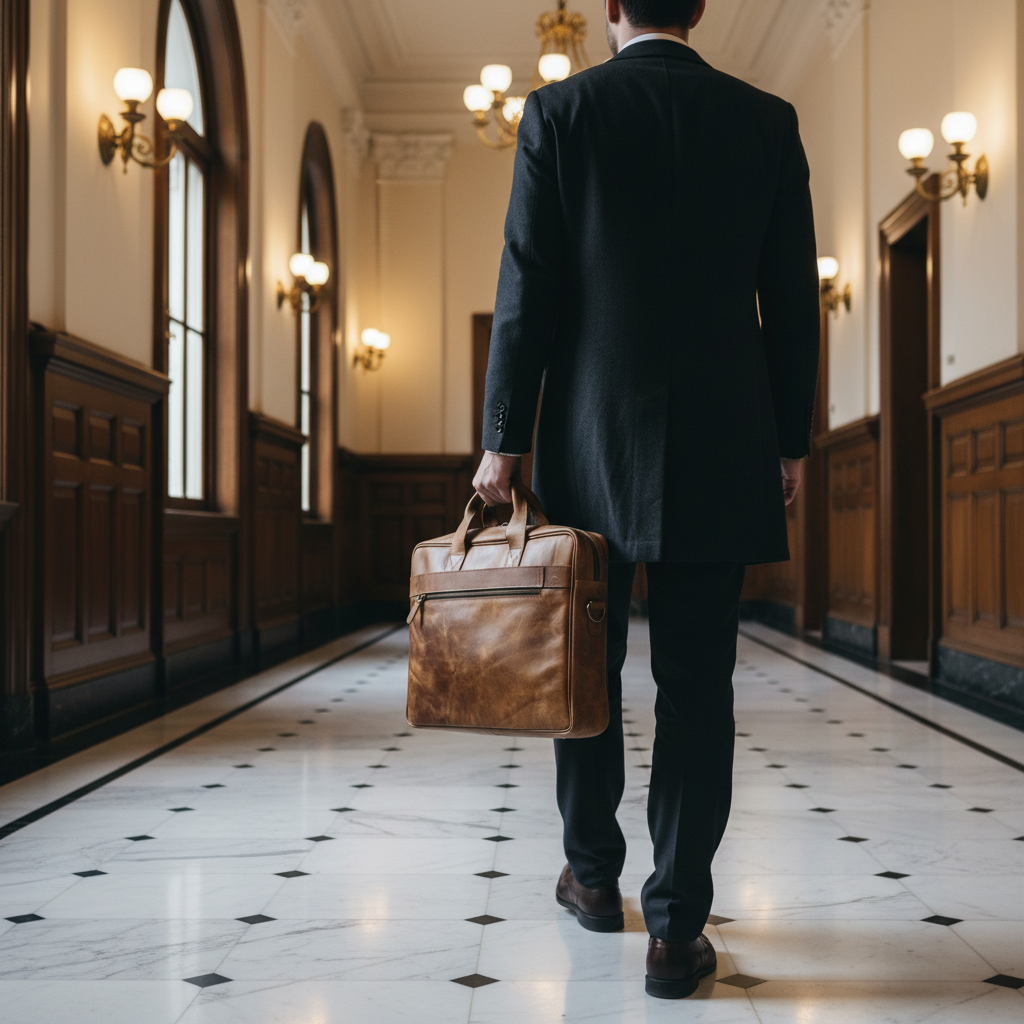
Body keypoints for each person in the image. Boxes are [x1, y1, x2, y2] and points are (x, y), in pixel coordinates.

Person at [472, 0, 820, 1001]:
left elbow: (529, 282)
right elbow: (791, 297)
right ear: (699, 7)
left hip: (589, 438)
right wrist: (788, 440)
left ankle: (591, 877)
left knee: (582, 668)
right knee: (698, 687)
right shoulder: (766, 120)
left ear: (609, 9)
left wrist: (504, 440)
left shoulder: (559, 113)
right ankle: (676, 929)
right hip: (722, 439)